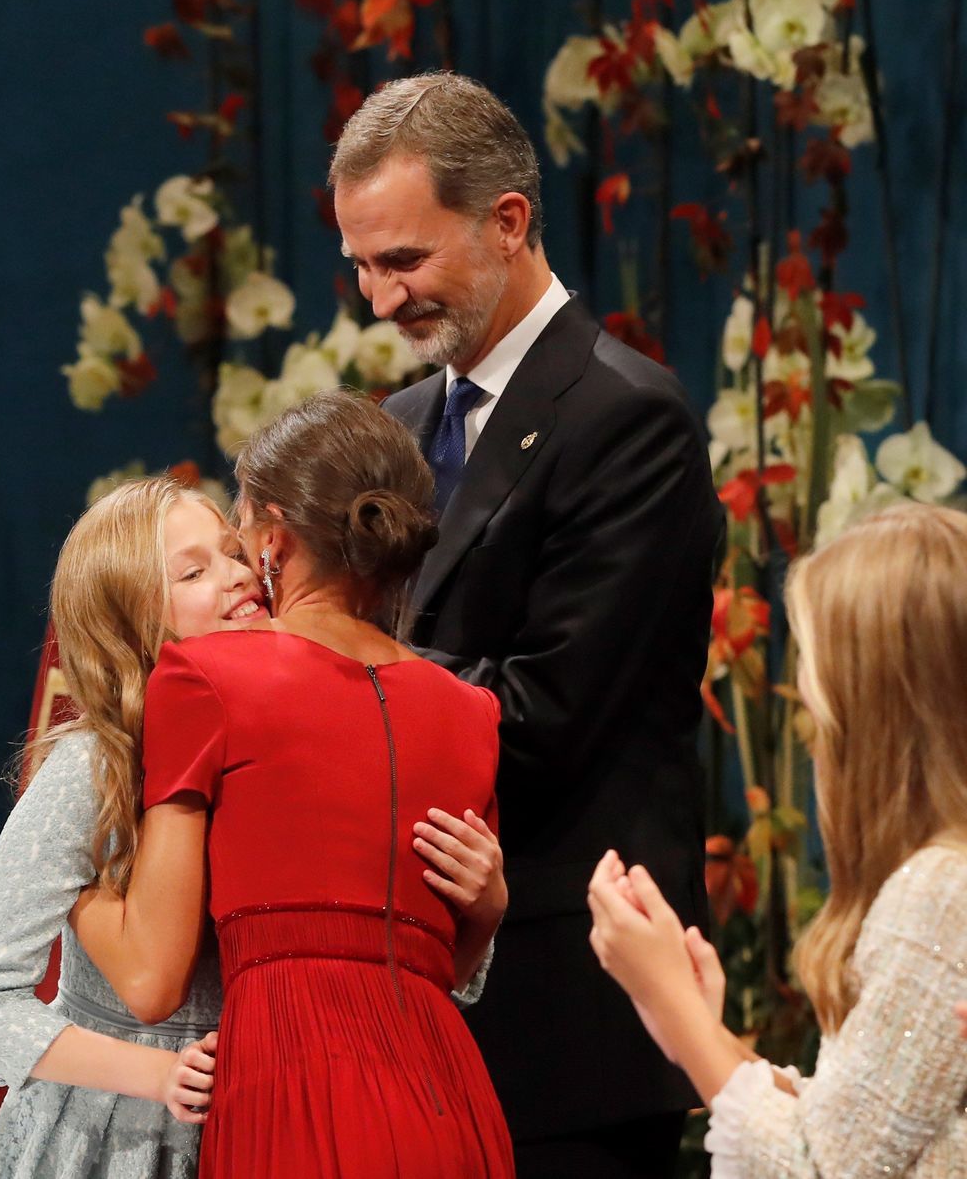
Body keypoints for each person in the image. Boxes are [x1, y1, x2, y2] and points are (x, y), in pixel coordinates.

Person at [330, 73, 723, 1176]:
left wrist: (328, 682)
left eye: (403, 262)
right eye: (360, 266)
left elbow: (545, 718)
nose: (378, 300)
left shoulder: (626, 417)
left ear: (508, 222)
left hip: (568, 1014)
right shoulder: (399, 425)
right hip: (411, 1009)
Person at [69, 391, 515, 1178]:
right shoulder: (472, 713)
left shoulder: (206, 676)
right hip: (454, 1098)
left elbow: (154, 976)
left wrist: (77, 888)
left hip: (294, 1084)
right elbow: (440, 962)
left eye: (239, 534)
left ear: (274, 538)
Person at [588, 503, 967, 1177]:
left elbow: (817, 1170)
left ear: (875, 710)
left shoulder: (939, 889)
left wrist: (679, 1015)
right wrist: (701, 1026)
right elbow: (862, 1129)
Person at [0, 478, 238, 1178]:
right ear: (133, 625)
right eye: (195, 571)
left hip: (255, 1122)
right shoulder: (93, 766)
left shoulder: (283, 743)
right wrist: (155, 1073)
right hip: (108, 1139)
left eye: (234, 553)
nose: (235, 577)